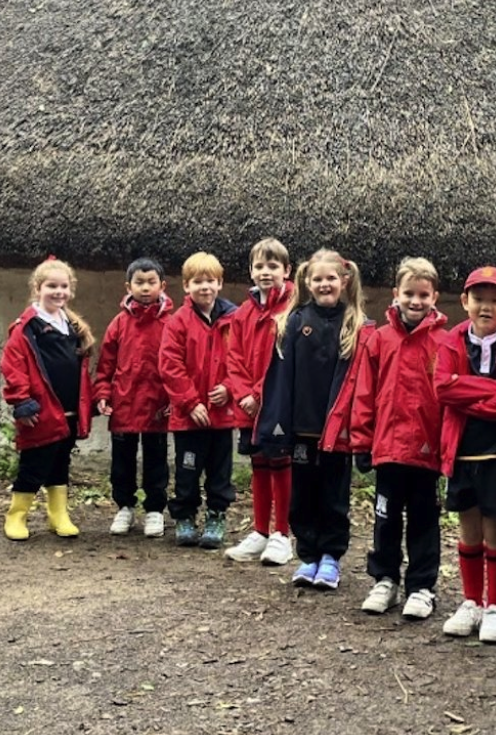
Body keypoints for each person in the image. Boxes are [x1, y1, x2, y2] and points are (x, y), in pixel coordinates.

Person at [254, 248, 373, 592]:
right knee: (303, 495)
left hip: (338, 431)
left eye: (331, 278)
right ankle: (308, 555)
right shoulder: (293, 323)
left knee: (334, 495)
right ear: (306, 281)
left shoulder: (357, 326)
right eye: (318, 279)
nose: (324, 284)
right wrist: (278, 428)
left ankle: (331, 557)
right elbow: (281, 379)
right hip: (303, 428)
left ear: (344, 281)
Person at [434, 266, 496, 645]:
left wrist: (469, 392)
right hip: (462, 451)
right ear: (464, 302)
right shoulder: (451, 341)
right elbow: (443, 387)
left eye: (495, 300)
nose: (486, 307)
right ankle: (472, 600)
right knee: (467, 526)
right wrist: (490, 391)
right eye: (479, 299)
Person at [352, 258, 450, 620]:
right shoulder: (379, 340)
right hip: (388, 448)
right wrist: (361, 441)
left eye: (423, 295)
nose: (416, 301)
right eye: (409, 293)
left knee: (425, 520)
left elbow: (449, 400)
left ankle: (422, 586)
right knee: (386, 518)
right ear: (396, 294)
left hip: (427, 450)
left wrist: (447, 449)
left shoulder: (444, 342)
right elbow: (364, 393)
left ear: (435, 297)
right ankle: (385, 579)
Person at [1, 258, 95, 541]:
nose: (58, 292)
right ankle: (17, 515)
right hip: (41, 409)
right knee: (34, 463)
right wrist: (21, 400)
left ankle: (59, 514)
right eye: (51, 286)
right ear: (37, 288)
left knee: (60, 462)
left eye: (64, 286)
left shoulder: (71, 326)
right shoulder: (27, 327)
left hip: (67, 410)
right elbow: (13, 364)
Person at [157, 252, 242, 549]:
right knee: (187, 470)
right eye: (197, 281)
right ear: (186, 287)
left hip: (222, 415)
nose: (204, 287)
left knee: (220, 472)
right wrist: (191, 402)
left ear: (220, 284)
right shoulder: (178, 322)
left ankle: (216, 515)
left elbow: (241, 359)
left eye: (210, 281)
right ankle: (185, 516)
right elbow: (170, 365)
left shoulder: (235, 319)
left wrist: (230, 387)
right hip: (188, 417)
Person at [222, 238, 295, 565]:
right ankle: (260, 531)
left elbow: (285, 360)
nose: (266, 272)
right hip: (248, 404)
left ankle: (282, 533)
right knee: (258, 463)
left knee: (280, 463)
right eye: (259, 266)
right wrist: (242, 394)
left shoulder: (292, 309)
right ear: (251, 271)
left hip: (276, 402)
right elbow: (233, 357)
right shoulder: (243, 313)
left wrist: (259, 393)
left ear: (287, 270)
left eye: (273, 266)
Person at [94, 257, 174, 538]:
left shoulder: (171, 323)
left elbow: (178, 363)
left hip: (157, 405)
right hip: (124, 403)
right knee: (122, 461)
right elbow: (106, 364)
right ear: (128, 286)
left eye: (151, 282)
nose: (145, 288)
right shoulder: (118, 324)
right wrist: (103, 393)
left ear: (162, 286)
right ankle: (124, 506)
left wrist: (174, 399)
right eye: (139, 283)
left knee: (156, 458)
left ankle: (154, 509)